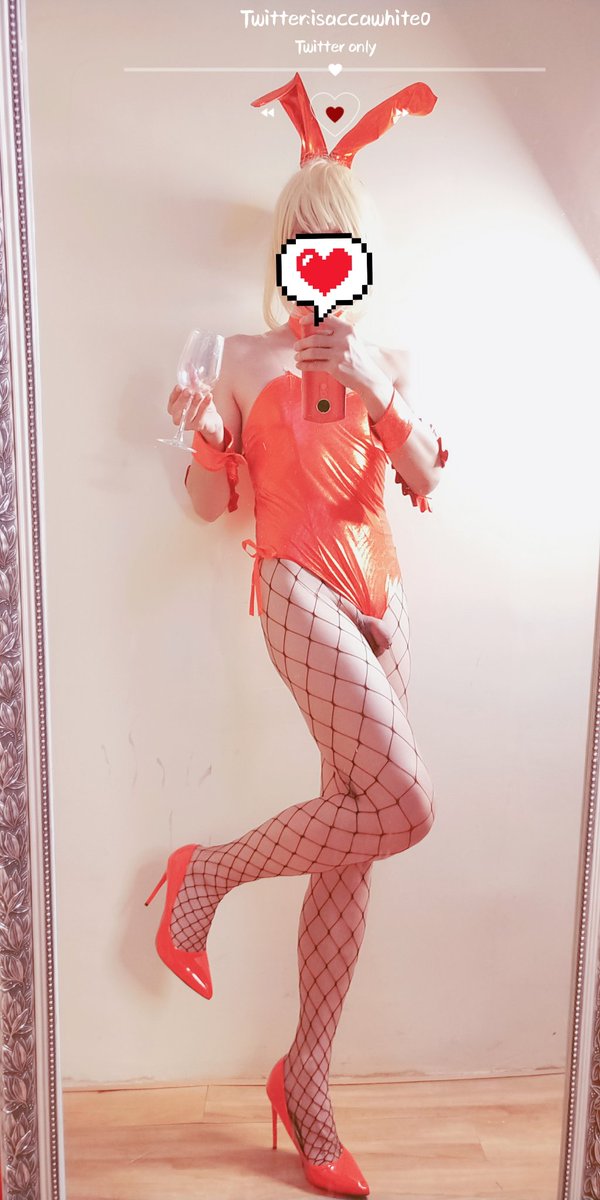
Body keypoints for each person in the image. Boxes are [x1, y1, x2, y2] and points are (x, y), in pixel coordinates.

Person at [145, 75, 448, 1198]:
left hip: (384, 592)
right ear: (287, 250)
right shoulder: (237, 356)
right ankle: (207, 874)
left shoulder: (389, 360)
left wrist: (372, 381)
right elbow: (206, 507)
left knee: (361, 835)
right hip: (293, 583)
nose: (321, 260)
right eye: (305, 240)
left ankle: (306, 1083)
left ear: (357, 254)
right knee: (406, 804)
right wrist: (199, 435)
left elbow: (427, 480)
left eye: (339, 242)